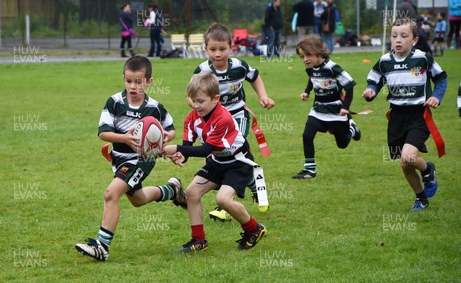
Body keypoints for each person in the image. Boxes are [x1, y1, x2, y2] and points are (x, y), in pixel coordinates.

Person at [75, 55, 187, 261]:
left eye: (139, 82)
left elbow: (171, 130)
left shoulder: (154, 108)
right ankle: (172, 190)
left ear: (149, 82)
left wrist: (164, 137)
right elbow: (103, 132)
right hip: (119, 157)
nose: (133, 86)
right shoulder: (115, 102)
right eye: (128, 81)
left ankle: (102, 247)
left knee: (111, 194)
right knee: (138, 199)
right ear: (124, 79)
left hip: (141, 159)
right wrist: (125, 138)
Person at [163, 72, 267, 253]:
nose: (196, 105)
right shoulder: (191, 118)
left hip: (238, 162)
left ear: (215, 98)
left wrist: (175, 148)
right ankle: (198, 240)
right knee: (192, 193)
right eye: (193, 100)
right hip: (217, 161)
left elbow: (204, 150)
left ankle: (253, 229)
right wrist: (181, 155)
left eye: (201, 101)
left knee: (223, 199)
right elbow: (188, 146)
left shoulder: (223, 118)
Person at [191, 23, 275, 221]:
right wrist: (197, 105)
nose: (218, 54)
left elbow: (255, 77)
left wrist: (263, 96)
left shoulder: (239, 66)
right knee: (219, 157)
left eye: (222, 49)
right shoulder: (202, 70)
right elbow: (192, 94)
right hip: (213, 120)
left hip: (237, 115)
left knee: (231, 150)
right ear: (205, 49)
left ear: (231, 47)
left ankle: (225, 204)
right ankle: (253, 185)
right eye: (213, 49)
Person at [362, 18, 447, 211]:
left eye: (403, 36)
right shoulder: (385, 61)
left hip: (419, 115)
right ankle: (421, 198)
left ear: (414, 40)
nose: (398, 40)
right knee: (404, 164)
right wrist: (370, 91)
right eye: (394, 36)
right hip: (396, 117)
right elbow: (374, 80)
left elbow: (441, 78)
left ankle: (428, 169)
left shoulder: (422, 58)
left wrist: (436, 96)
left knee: (408, 157)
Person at [292, 35, 361, 179]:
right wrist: (306, 92)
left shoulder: (333, 68)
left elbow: (350, 86)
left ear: (319, 52)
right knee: (307, 135)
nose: (305, 59)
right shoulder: (310, 69)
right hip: (318, 109)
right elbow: (313, 79)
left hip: (336, 111)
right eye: (302, 56)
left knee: (342, 144)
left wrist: (346, 108)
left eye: (308, 55)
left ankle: (351, 129)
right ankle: (310, 170)